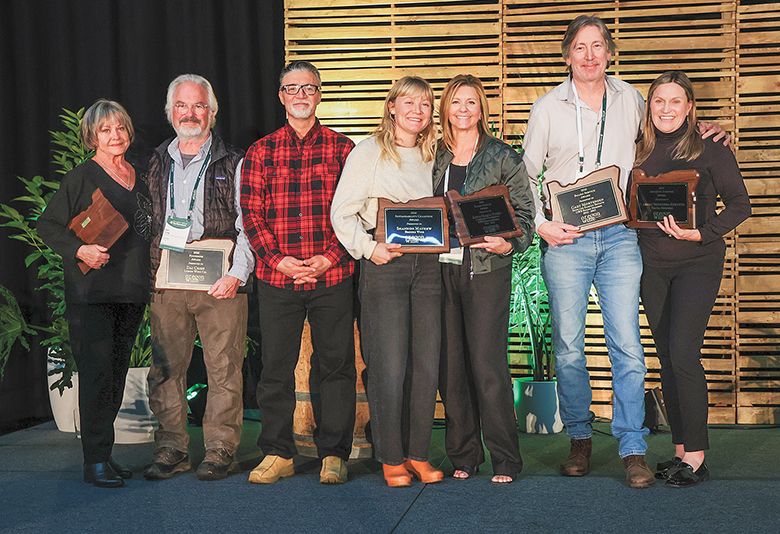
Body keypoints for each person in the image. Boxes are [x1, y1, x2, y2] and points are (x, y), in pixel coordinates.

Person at [523, 15, 728, 489]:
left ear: (610, 52)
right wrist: (541, 225)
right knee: (570, 348)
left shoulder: (632, 98)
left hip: (620, 238)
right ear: (567, 54)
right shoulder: (547, 109)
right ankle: (579, 438)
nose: (590, 55)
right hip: (567, 240)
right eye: (580, 47)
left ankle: (633, 447)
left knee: (629, 349)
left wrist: (709, 128)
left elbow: (672, 129)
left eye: (598, 46)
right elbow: (523, 176)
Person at [241, 61, 357, 485]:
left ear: (320, 93)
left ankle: (334, 453)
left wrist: (328, 257)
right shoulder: (261, 151)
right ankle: (277, 452)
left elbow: (357, 212)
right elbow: (251, 216)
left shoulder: (344, 150)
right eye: (292, 88)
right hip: (278, 279)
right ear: (281, 97)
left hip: (332, 275)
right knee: (275, 368)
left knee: (336, 366)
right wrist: (279, 261)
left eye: (309, 87)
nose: (301, 95)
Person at [634, 71, 750, 487]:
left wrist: (702, 232)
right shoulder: (638, 147)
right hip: (652, 266)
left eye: (675, 101)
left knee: (683, 354)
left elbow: (741, 204)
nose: (666, 109)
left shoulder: (710, 147)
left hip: (697, 262)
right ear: (650, 106)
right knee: (667, 358)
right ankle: (681, 450)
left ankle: (698, 458)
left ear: (690, 107)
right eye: (659, 101)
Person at [330, 76, 443, 488]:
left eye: (426, 104)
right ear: (391, 107)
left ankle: (417, 453)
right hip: (385, 266)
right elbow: (342, 213)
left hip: (429, 269)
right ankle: (391, 457)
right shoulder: (369, 152)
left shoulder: (435, 154)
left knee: (425, 365)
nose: (418, 110)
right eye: (409, 102)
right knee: (389, 365)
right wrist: (368, 249)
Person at [143, 74, 253, 481]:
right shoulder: (155, 161)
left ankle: (220, 448)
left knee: (224, 367)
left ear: (213, 112)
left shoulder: (234, 159)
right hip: (169, 278)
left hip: (219, 279)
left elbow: (249, 222)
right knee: (166, 367)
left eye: (199, 106)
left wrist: (238, 274)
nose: (191, 113)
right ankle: (172, 447)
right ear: (170, 112)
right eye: (182, 106)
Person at [38, 99, 151, 488]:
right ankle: (94, 462)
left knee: (117, 375)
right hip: (93, 293)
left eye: (119, 128)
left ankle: (105, 453)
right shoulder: (81, 177)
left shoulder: (140, 173)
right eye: (105, 130)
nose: (114, 135)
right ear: (91, 137)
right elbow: (48, 225)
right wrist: (80, 249)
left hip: (132, 291)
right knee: (97, 376)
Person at [433, 74, 535, 484]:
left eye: (471, 103)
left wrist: (509, 245)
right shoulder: (434, 155)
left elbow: (525, 217)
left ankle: (506, 459)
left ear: (482, 109)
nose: (463, 110)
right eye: (456, 102)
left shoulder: (502, 157)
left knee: (487, 366)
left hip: (487, 271)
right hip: (440, 272)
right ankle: (463, 455)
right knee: (451, 369)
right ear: (446, 109)